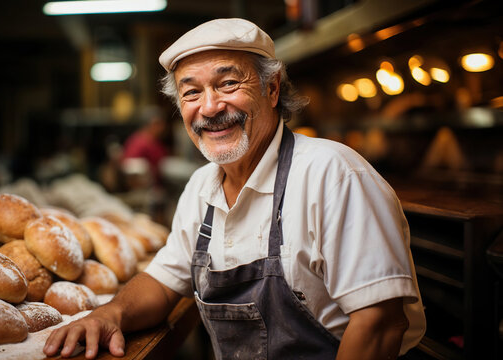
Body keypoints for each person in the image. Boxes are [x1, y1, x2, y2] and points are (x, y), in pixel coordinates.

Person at [44, 18, 426, 360]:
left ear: (272, 89)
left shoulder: (334, 175)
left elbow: (380, 324)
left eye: (228, 84)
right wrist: (110, 313)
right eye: (191, 93)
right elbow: (163, 282)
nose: (209, 107)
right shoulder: (201, 188)